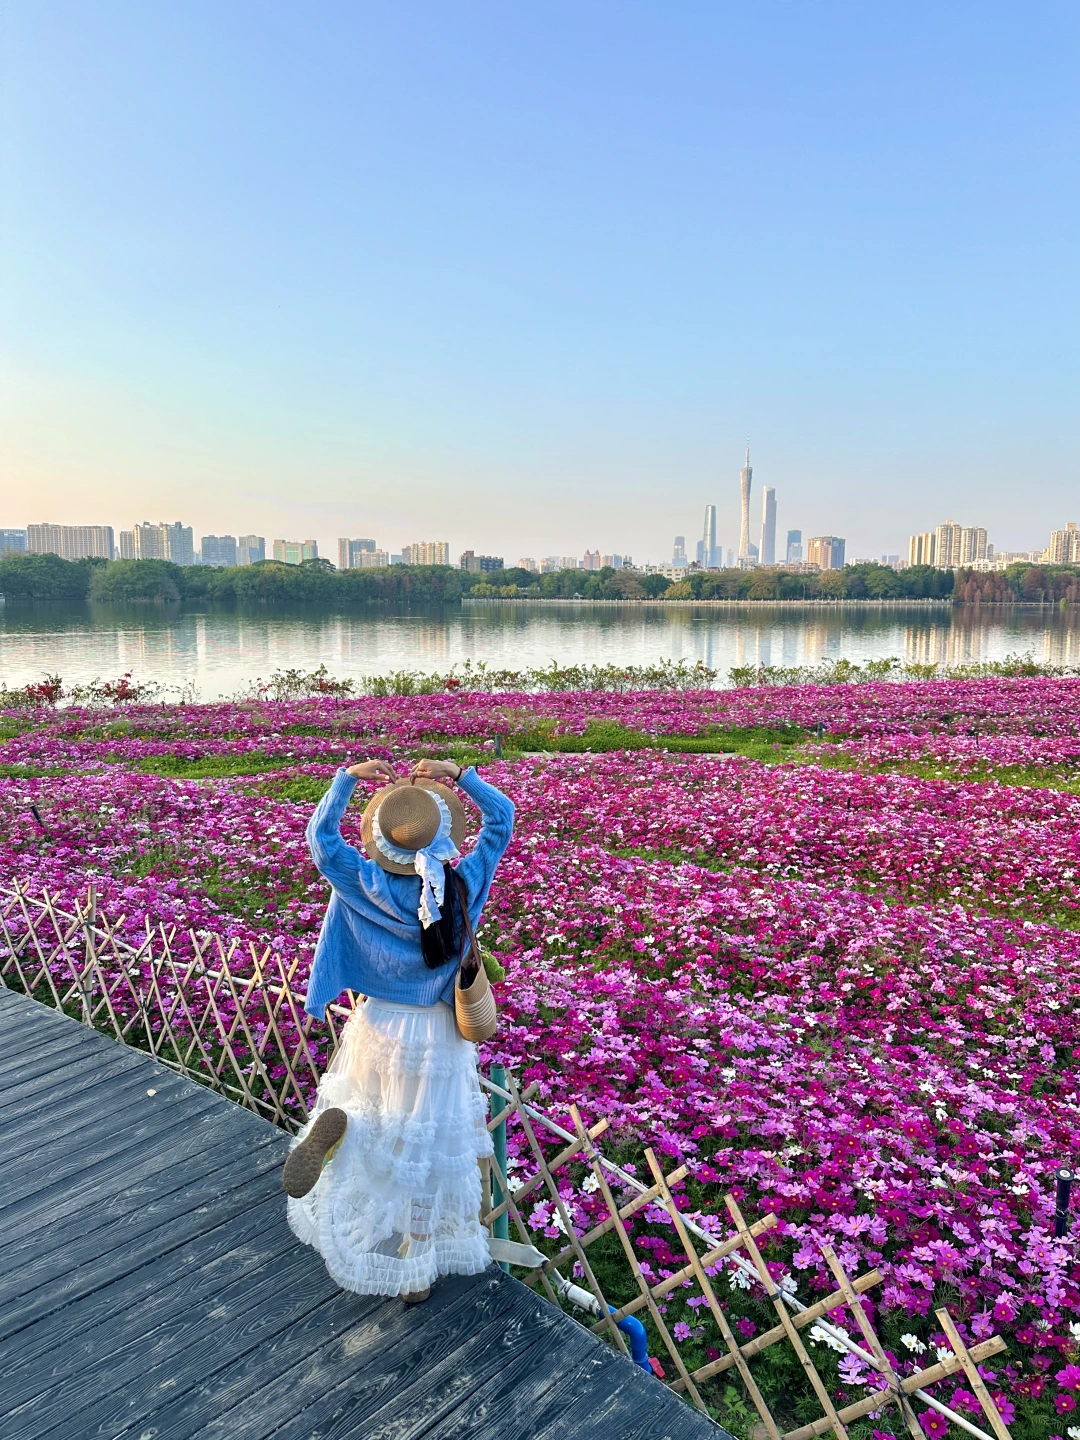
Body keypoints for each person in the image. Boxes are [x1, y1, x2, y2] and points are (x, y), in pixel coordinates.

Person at [283, 755, 514, 1305]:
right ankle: (415, 1261)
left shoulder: (362, 880)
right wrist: (460, 774)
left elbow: (321, 841)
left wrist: (344, 781)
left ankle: (346, 1131)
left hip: (378, 1024)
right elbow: (502, 820)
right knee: (427, 1142)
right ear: (442, 835)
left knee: (373, 1109)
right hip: (437, 1032)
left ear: (381, 838)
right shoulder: (461, 884)